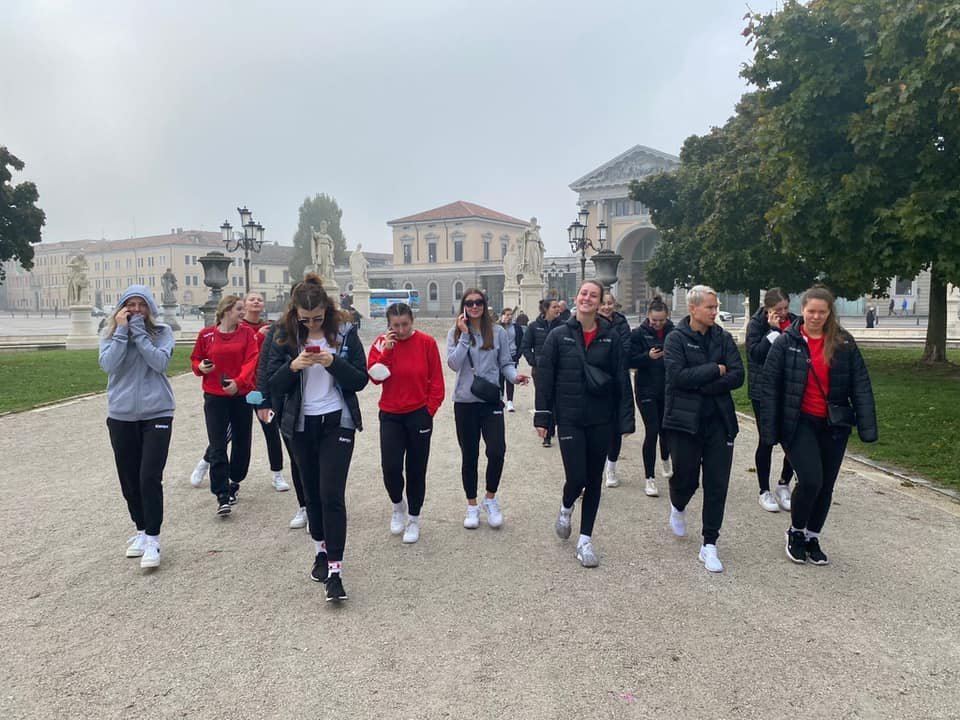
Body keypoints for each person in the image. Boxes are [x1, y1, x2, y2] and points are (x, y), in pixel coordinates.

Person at [262, 274, 368, 602]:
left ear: (327, 310)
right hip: (300, 424)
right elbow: (270, 383)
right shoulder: (281, 335)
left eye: (318, 318)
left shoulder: (345, 332)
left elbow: (360, 380)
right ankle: (320, 551)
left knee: (331, 493)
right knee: (312, 495)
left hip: (338, 421)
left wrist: (333, 362)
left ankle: (335, 571)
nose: (311, 324)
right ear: (294, 312)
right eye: (305, 319)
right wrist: (293, 366)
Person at [758, 286, 877, 566]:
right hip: (799, 422)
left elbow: (860, 384)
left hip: (834, 423)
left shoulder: (843, 342)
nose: (815, 316)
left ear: (829, 313)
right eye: (811, 311)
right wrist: (770, 431)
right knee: (811, 480)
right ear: (803, 310)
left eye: (822, 312)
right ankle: (796, 531)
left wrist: (868, 426)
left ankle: (813, 535)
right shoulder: (786, 343)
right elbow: (770, 388)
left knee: (826, 486)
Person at [534, 280, 635, 568]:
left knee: (593, 481)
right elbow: (545, 378)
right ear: (576, 297)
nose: (587, 298)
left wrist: (625, 419)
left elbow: (621, 378)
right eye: (583, 294)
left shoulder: (610, 337)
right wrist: (543, 416)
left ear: (600, 302)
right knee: (576, 478)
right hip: (570, 418)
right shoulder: (559, 335)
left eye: (593, 295)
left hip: (601, 418)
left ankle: (585, 540)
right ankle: (566, 507)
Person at [663, 285, 744, 573]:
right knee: (686, 478)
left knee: (717, 483)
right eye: (710, 307)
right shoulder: (676, 339)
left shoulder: (723, 338)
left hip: (719, 421)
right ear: (693, 308)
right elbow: (678, 377)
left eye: (715, 306)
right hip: (685, 421)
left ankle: (710, 543)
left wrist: (705, 384)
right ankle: (678, 504)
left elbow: (738, 375)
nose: (714, 311)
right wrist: (714, 369)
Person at [99, 285, 175, 570]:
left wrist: (140, 333)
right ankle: (141, 529)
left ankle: (153, 539)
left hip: (157, 412)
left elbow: (160, 363)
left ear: (150, 308)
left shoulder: (162, 332)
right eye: (130, 304)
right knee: (129, 478)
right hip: (121, 414)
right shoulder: (109, 334)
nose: (135, 309)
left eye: (141, 304)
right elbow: (108, 365)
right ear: (121, 308)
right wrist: (122, 332)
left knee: (149, 476)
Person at [447, 289, 529, 530]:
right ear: (464, 306)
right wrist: (464, 335)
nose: (474, 307)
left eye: (479, 302)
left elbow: (505, 363)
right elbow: (453, 364)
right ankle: (472, 504)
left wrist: (515, 377)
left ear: (485, 305)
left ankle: (490, 499)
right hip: (465, 401)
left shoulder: (498, 332)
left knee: (496, 450)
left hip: (490, 399)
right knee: (469, 455)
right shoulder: (455, 332)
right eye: (469, 303)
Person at [367, 303, 445, 543]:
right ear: (389, 325)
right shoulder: (381, 343)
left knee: (416, 468)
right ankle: (397, 505)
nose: (400, 330)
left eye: (405, 325)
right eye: (395, 325)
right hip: (390, 413)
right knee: (390, 467)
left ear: (412, 321)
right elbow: (375, 378)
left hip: (418, 413)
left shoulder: (427, 342)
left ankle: (413, 518)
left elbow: (437, 380)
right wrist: (387, 352)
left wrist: (429, 411)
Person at [190, 295, 260, 517]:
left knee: (242, 442)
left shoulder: (246, 333)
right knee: (217, 444)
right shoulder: (206, 335)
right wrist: (201, 367)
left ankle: (235, 479)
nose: (243, 312)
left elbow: (251, 360)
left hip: (240, 395)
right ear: (227, 310)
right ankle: (221, 494)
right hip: (214, 396)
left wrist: (238, 382)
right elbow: (196, 359)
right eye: (239, 309)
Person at [745, 288, 797, 513]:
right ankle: (763, 490)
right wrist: (774, 331)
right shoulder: (757, 324)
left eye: (786, 308)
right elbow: (755, 354)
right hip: (764, 391)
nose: (783, 313)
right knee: (767, 439)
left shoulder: (795, 322)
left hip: (791, 389)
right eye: (778, 309)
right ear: (768, 309)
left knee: (793, 440)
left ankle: (784, 484)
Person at [241, 291, 291, 492]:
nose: (256, 302)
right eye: (252, 299)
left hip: (261, 389)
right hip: (243, 388)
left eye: (259, 299)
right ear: (245, 304)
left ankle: (277, 473)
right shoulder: (240, 327)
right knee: (233, 433)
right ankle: (205, 462)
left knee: (271, 429)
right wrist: (257, 336)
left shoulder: (271, 327)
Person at [628, 295, 675, 498]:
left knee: (666, 430)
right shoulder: (638, 334)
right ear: (648, 316)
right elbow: (630, 360)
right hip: (646, 388)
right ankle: (649, 478)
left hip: (668, 388)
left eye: (661, 320)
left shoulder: (674, 332)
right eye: (654, 320)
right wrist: (647, 357)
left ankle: (665, 458)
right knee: (652, 430)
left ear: (667, 317)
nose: (657, 324)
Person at [598, 291, 631, 487]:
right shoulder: (591, 323)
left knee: (615, 429)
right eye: (603, 303)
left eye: (609, 303)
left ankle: (611, 467)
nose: (606, 307)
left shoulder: (622, 323)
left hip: (618, 381)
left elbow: (626, 349)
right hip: (597, 380)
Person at [520, 298, 562, 446]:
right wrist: (534, 361)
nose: (558, 309)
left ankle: (554, 425)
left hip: (559, 369)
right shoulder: (534, 326)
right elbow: (525, 346)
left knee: (558, 400)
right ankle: (547, 434)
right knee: (545, 399)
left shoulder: (563, 326)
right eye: (554, 307)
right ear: (546, 309)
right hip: (541, 371)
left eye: (558, 307)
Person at [498, 308, 524, 412]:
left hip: (512, 355)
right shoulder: (498, 327)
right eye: (507, 315)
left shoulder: (517, 328)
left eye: (510, 315)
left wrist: (518, 355)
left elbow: (521, 341)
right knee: (499, 379)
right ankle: (500, 399)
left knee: (511, 379)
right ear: (502, 315)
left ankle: (510, 401)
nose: (509, 317)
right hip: (499, 356)